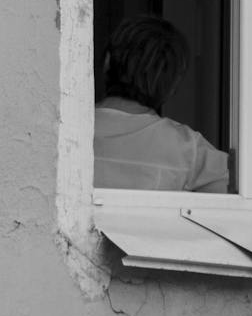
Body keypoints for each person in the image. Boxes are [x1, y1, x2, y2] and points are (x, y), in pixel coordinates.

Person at [94, 14, 231, 193]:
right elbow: (251, 190)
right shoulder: (185, 147)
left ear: (107, 62)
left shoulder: (63, 131)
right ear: (172, 84)